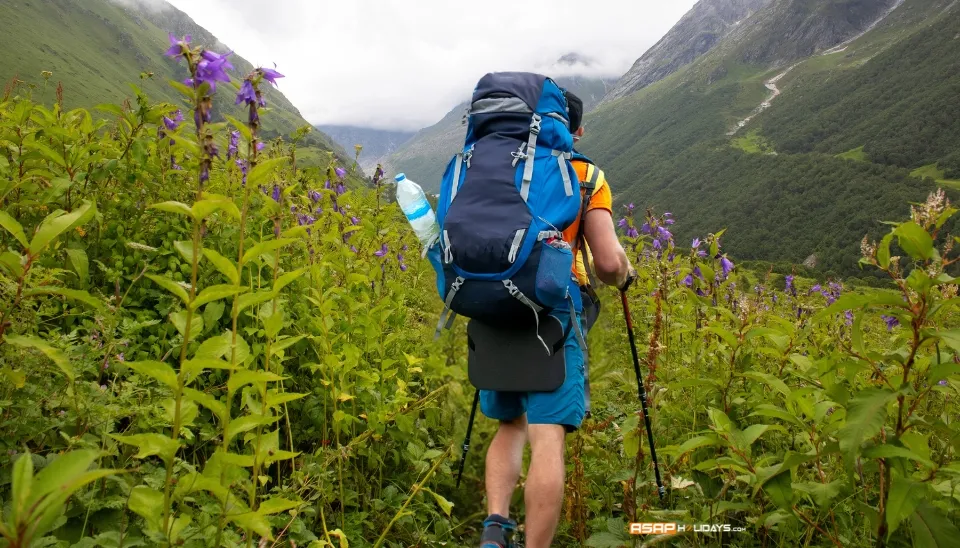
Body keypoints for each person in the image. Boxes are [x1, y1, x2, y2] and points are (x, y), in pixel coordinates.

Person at [479, 91, 634, 548]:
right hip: (553, 309)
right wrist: (625, 276)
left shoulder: (496, 164)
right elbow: (606, 264)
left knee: (510, 424)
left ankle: (495, 527)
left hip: (494, 303)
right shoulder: (586, 175)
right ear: (576, 131)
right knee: (547, 436)